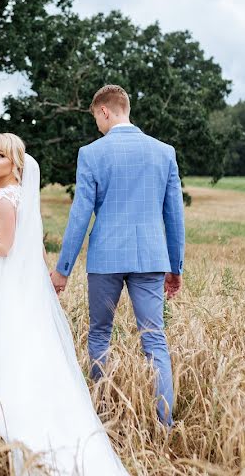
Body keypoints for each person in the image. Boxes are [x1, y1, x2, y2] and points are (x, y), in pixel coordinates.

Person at [0, 133, 127, 475]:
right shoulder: (17, 195)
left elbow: (4, 247)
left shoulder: (5, 199)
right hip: (11, 283)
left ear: (14, 162)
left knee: (3, 353)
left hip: (1, 280)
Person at [49, 84, 185, 427]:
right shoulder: (164, 151)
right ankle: (163, 425)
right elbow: (174, 215)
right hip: (151, 258)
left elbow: (80, 215)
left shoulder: (91, 154)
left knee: (99, 335)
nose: (97, 125)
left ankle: (104, 415)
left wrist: (63, 269)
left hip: (105, 259)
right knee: (154, 339)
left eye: (96, 117)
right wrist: (175, 265)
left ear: (105, 111)